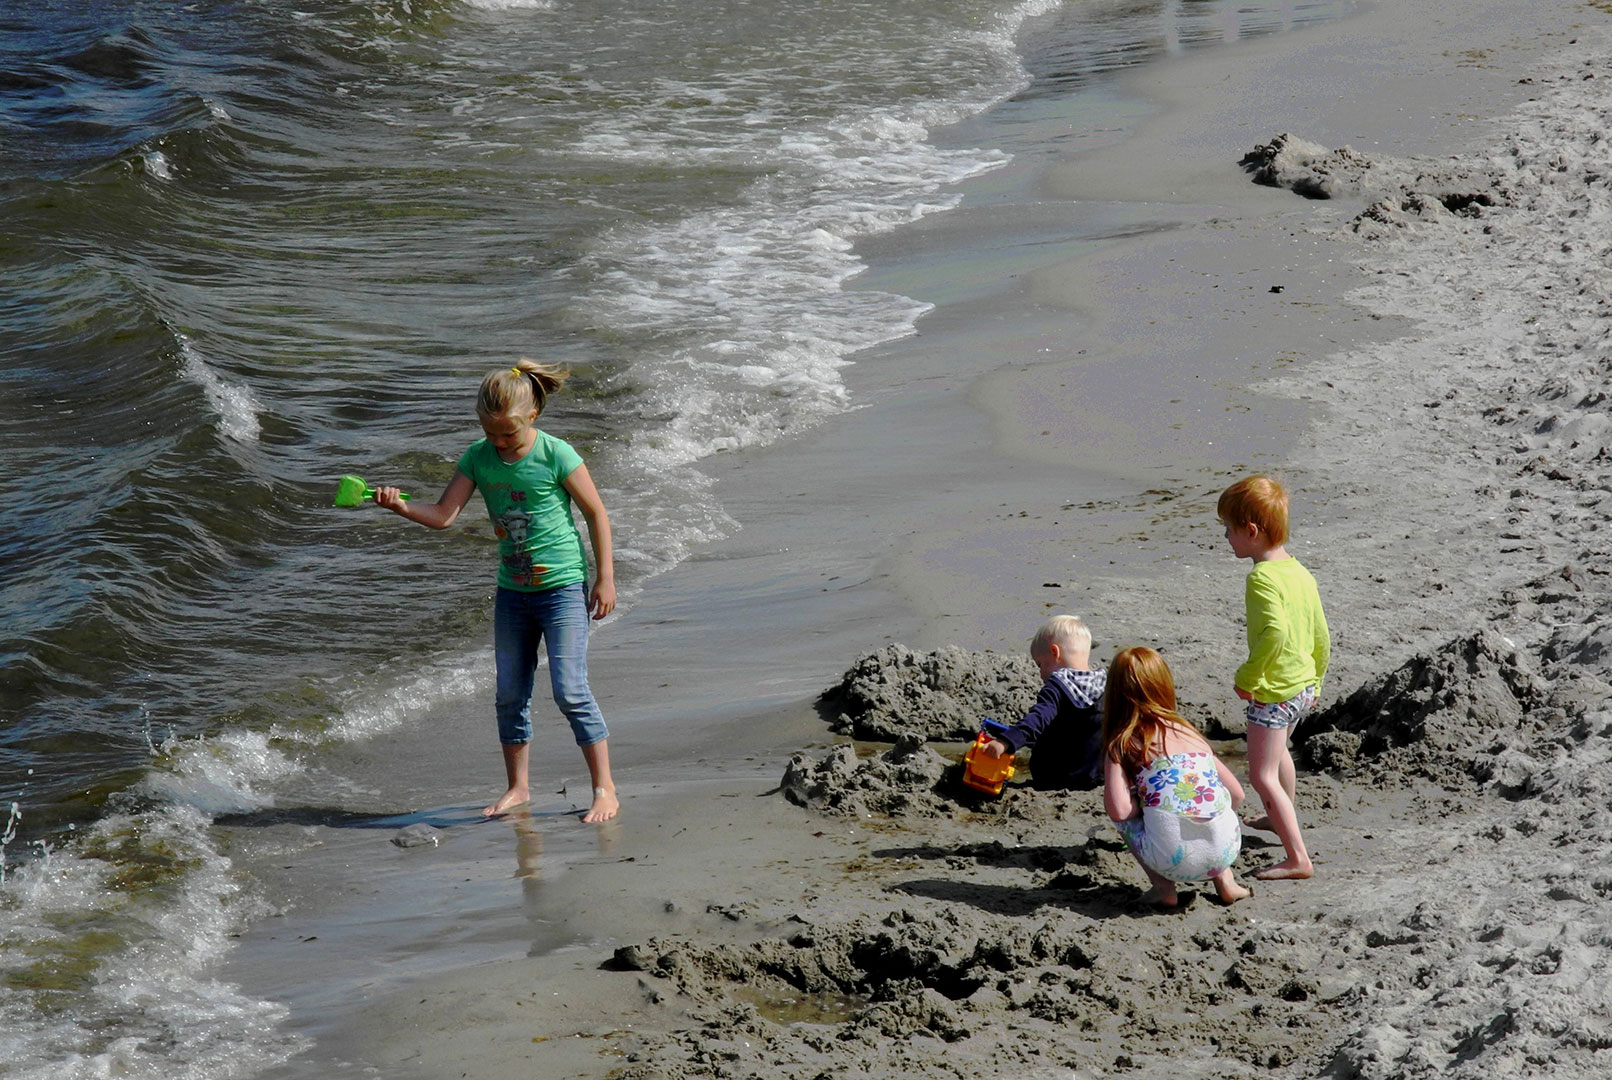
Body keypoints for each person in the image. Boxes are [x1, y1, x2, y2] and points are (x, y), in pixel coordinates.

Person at [373, 359, 619, 823]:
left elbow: (596, 514)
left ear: (533, 417)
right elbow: (445, 515)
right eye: (492, 434)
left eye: (509, 434)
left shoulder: (557, 454)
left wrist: (605, 576)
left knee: (570, 690)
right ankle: (518, 788)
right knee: (510, 694)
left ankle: (604, 788)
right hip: (513, 594)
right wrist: (400, 506)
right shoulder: (477, 458)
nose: (501, 442)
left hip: (563, 589)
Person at [1218, 474, 1330, 880]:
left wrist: (1248, 675)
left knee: (1262, 775)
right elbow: (1320, 632)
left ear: (1251, 531)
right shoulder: (1298, 571)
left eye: (1228, 530)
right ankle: (1281, 817)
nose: (1226, 538)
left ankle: (1297, 857)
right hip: (1301, 686)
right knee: (1280, 754)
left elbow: (1275, 634)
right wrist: (1317, 679)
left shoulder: (1261, 579)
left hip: (1274, 691)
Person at [1101, 646, 1250, 907]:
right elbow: (1237, 794)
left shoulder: (1123, 744)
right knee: (1209, 803)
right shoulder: (1191, 734)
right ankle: (1227, 883)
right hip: (1226, 849)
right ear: (1165, 687)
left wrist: (1140, 806)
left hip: (1172, 859)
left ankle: (1163, 889)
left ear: (1114, 696)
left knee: (1128, 822)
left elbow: (1119, 811)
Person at [981, 615, 1106, 790]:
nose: (1040, 673)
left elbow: (1038, 719)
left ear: (1055, 653)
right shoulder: (1107, 685)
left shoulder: (1058, 686)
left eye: (1040, 664)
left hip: (1056, 778)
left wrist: (1005, 742)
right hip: (1097, 777)